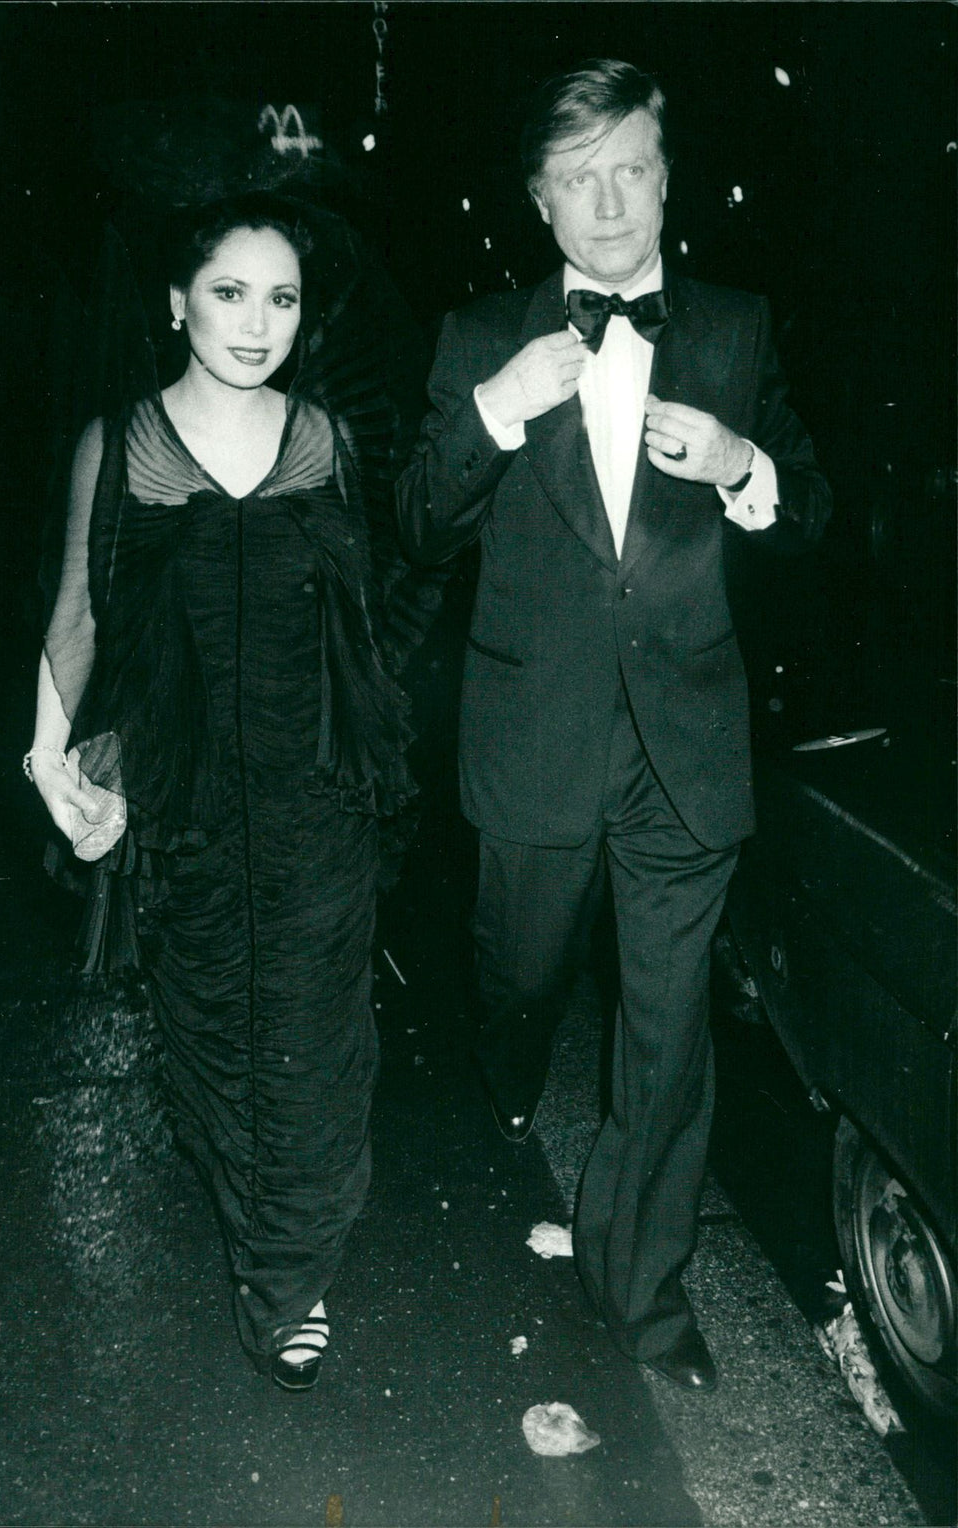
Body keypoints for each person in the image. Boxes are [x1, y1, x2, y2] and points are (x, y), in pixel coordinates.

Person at [397, 59, 831, 1391]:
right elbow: (414, 526)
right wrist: (496, 408)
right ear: (538, 201)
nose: (608, 205)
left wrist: (744, 465)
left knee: (668, 1027)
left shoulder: (737, 328)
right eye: (577, 181)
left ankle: (641, 1289)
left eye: (630, 170)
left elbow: (813, 512)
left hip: (681, 745)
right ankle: (509, 1060)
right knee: (519, 975)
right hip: (535, 732)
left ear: (667, 179)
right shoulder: (480, 336)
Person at [27, 190, 422, 1392]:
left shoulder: (327, 442)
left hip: (316, 801)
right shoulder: (119, 443)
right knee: (213, 1040)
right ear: (177, 302)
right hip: (186, 806)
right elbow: (81, 615)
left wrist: (376, 767)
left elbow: (365, 624)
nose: (257, 323)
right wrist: (50, 761)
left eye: (282, 298)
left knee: (315, 1041)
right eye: (230, 292)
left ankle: (286, 1279)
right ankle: (263, 1229)